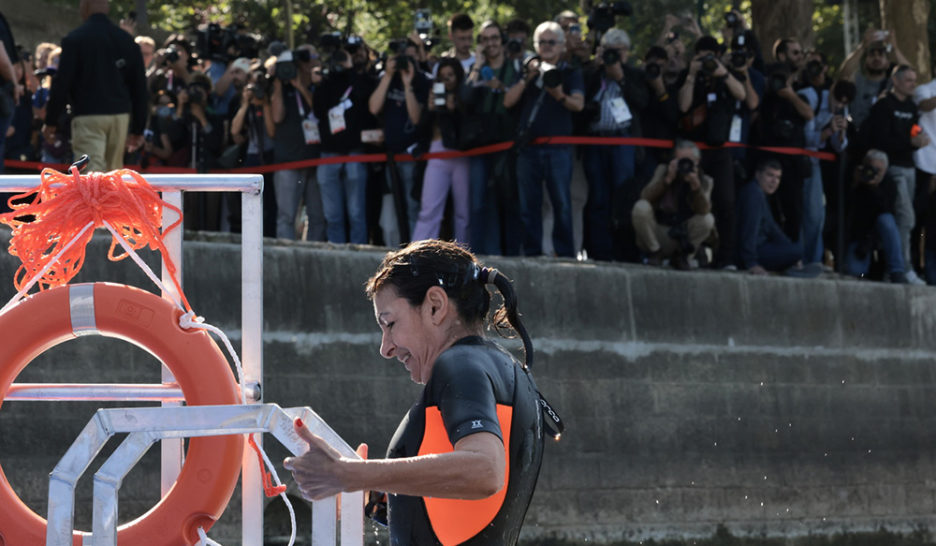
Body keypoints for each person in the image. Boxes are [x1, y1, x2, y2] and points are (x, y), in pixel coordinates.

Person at [284, 239, 559, 545]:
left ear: (435, 306)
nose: (385, 348)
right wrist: (368, 495)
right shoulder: (502, 368)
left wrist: (351, 473)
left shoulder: (460, 364)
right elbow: (453, 515)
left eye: (389, 324)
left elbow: (486, 471)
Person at [503, 21, 584, 258]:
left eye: (552, 42)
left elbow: (578, 104)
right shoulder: (527, 70)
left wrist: (559, 95)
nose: (547, 47)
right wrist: (528, 78)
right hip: (529, 149)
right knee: (529, 206)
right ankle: (531, 253)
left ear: (561, 45)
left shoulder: (571, 72)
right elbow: (508, 101)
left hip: (559, 149)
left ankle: (566, 253)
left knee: (562, 204)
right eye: (542, 42)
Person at [44, 0, 148, 173]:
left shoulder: (74, 39)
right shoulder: (127, 41)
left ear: (84, 6)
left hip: (88, 115)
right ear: (107, 7)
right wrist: (138, 128)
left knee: (90, 176)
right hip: (119, 117)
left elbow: (61, 84)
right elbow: (139, 88)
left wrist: (51, 121)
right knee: (114, 176)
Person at [582, 28, 648, 261]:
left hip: (624, 142)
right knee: (598, 198)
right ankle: (600, 252)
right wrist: (597, 67)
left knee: (624, 197)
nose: (613, 56)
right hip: (595, 142)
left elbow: (643, 102)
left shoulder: (634, 74)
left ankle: (625, 253)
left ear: (626, 53)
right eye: (609, 51)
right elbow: (582, 101)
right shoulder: (593, 73)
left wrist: (621, 77)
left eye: (618, 51)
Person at [462, 20, 523, 256]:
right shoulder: (476, 69)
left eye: (495, 38)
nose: (491, 43)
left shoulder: (514, 69)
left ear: (502, 40)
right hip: (480, 145)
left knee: (507, 201)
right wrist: (477, 64)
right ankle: (477, 259)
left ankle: (511, 257)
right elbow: (466, 97)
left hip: (506, 145)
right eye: (485, 39)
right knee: (478, 204)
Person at [865, 64, 930, 284]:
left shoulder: (912, 107)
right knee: (905, 217)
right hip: (893, 169)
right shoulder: (883, 106)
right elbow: (881, 140)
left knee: (907, 220)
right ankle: (902, 268)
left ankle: (894, 268)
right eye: (909, 80)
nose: (913, 84)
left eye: (914, 79)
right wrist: (909, 142)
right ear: (897, 81)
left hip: (910, 168)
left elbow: (913, 131)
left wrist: (919, 138)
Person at [313, 48, 378, 244]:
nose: (341, 64)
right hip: (329, 154)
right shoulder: (325, 83)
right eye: (338, 60)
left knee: (356, 214)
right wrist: (325, 77)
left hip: (355, 154)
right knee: (333, 216)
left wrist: (351, 69)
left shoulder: (360, 80)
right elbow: (317, 110)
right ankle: (336, 254)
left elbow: (364, 96)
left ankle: (357, 252)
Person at [411, 58, 470, 244]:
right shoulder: (434, 96)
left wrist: (455, 109)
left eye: (450, 76)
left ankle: (465, 256)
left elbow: (469, 129)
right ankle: (419, 253)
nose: (446, 81)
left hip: (462, 155)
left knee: (464, 212)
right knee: (429, 209)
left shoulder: (466, 95)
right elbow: (421, 130)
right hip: (437, 152)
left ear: (458, 77)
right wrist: (429, 110)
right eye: (442, 77)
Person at [631, 140, 714, 270]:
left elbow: (704, 210)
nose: (683, 165)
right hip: (659, 231)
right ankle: (655, 253)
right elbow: (645, 196)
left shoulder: (705, 181)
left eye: (687, 161)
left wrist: (696, 188)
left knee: (708, 219)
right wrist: (667, 180)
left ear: (697, 161)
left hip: (683, 237)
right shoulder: (663, 170)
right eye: (679, 160)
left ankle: (681, 257)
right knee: (641, 207)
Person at [270, 46, 326, 241]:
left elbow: (319, 112)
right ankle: (285, 256)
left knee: (318, 217)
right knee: (286, 217)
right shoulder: (280, 90)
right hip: (288, 161)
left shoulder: (314, 87)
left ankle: (314, 255)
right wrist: (277, 82)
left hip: (314, 160)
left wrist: (301, 86)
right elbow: (277, 117)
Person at [844, 149, 908, 283]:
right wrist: (855, 184)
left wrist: (875, 187)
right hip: (860, 234)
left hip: (880, 232)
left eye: (879, 170)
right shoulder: (855, 177)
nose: (873, 173)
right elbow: (847, 208)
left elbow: (887, 209)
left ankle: (897, 271)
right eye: (871, 168)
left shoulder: (889, 183)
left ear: (885, 170)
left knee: (887, 220)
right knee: (856, 273)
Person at [737, 159, 807, 275]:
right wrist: (751, 263)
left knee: (796, 248)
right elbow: (749, 231)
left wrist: (789, 250)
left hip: (761, 246)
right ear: (758, 175)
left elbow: (772, 229)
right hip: (752, 252)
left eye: (778, 177)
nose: (774, 181)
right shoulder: (754, 194)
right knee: (797, 250)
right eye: (770, 175)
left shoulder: (761, 194)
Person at [839, 28, 909, 128]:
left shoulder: (894, 84)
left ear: (888, 63)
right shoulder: (857, 81)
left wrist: (895, 49)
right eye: (872, 54)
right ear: (865, 61)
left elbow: (910, 75)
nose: (876, 58)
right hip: (861, 138)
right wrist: (862, 47)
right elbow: (844, 74)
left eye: (881, 54)